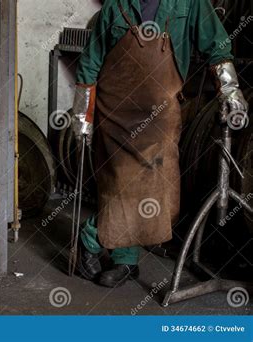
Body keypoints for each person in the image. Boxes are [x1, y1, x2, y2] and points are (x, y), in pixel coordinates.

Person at [71, 0, 249, 288]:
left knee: (154, 190)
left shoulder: (189, 4)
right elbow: (91, 62)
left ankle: (92, 238)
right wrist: (82, 116)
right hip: (115, 112)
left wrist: (230, 90)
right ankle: (123, 261)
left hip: (159, 115)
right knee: (120, 185)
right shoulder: (114, 7)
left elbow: (216, 43)